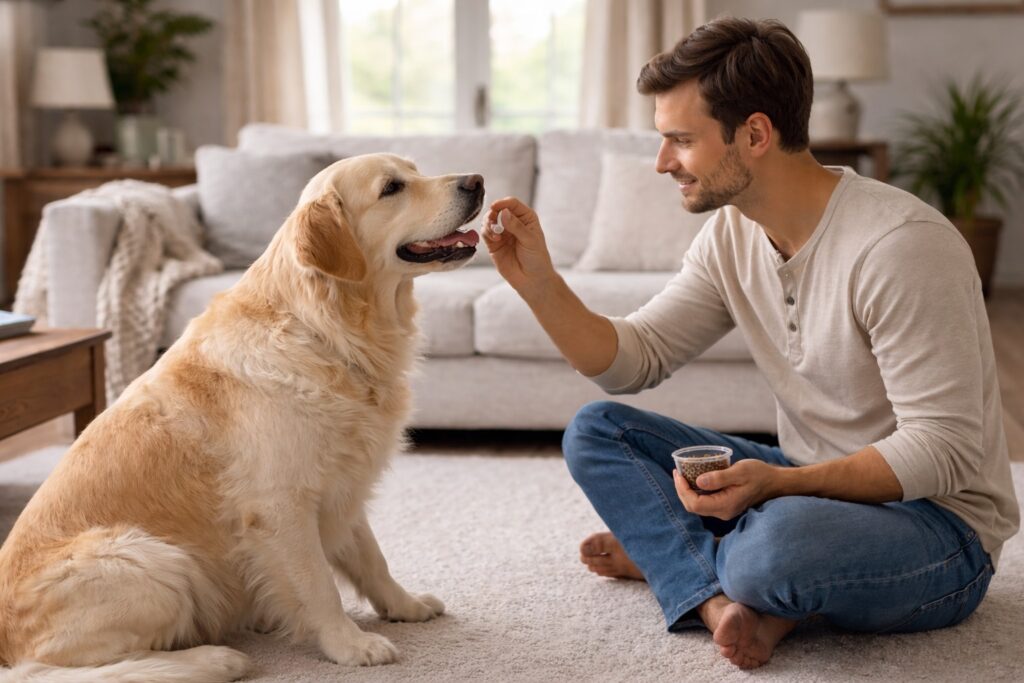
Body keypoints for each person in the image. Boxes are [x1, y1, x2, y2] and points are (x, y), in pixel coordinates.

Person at [479, 16, 1019, 670]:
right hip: (806, 481)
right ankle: (720, 596)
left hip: (937, 526)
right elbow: (631, 362)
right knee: (597, 430)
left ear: (756, 134)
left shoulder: (900, 247)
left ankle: (681, 557)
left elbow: (944, 451)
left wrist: (775, 487)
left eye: (680, 139)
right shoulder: (731, 237)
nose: (661, 162)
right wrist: (540, 284)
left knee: (773, 551)